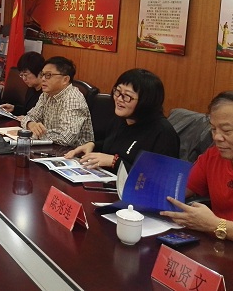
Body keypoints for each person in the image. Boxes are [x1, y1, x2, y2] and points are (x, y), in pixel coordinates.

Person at [64, 69, 179, 172]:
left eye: (127, 96)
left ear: (146, 101)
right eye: (117, 92)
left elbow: (157, 179)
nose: (119, 99)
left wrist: (115, 162)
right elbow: (114, 145)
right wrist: (92, 145)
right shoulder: (121, 119)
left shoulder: (163, 133)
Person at [160, 91, 233, 240]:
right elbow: (177, 190)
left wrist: (215, 224)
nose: (217, 137)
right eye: (213, 129)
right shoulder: (213, 156)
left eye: (226, 131)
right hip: (216, 244)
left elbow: (213, 225)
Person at [20, 56, 93, 146]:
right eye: (42, 74)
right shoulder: (46, 94)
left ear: (65, 80)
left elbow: (66, 138)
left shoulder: (73, 99)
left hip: (74, 152)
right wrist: (30, 124)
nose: (43, 79)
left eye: (48, 75)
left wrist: (37, 133)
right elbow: (30, 116)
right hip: (51, 148)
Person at [0, 51, 45, 116]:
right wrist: (14, 108)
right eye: (21, 75)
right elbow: (27, 110)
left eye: (26, 75)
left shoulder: (46, 93)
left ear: (40, 73)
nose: (24, 79)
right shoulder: (31, 88)